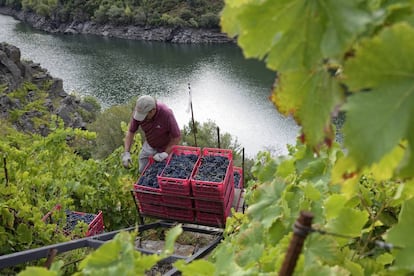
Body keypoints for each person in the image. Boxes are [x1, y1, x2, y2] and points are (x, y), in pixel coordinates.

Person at [122, 95, 181, 173]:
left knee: (166, 172)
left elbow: (176, 137)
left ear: (152, 110)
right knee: (143, 170)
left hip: (166, 147)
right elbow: (131, 132)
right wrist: (126, 152)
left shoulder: (166, 113)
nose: (142, 118)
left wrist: (165, 153)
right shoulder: (139, 112)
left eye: (144, 116)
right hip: (150, 145)